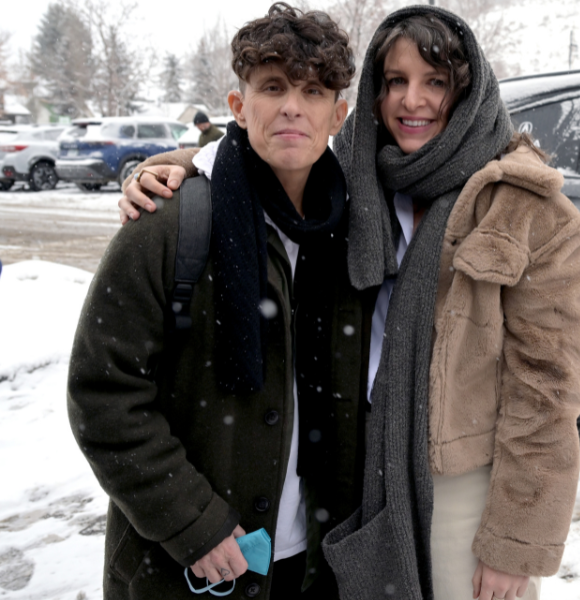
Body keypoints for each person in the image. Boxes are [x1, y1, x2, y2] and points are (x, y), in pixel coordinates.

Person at [120, 7, 580, 600]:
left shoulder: (533, 213)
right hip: (358, 471)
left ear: (469, 91)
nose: (411, 100)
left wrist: (514, 545)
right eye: (395, 81)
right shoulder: (358, 180)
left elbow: (546, 396)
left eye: (436, 81)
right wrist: (171, 167)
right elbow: (267, 152)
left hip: (462, 488)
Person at [69, 4, 362, 598]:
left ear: (339, 115)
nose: (291, 107)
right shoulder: (168, 222)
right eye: (273, 87)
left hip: (310, 561)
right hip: (187, 570)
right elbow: (104, 394)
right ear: (238, 106)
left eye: (312, 91)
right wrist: (193, 523)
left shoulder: (356, 232)